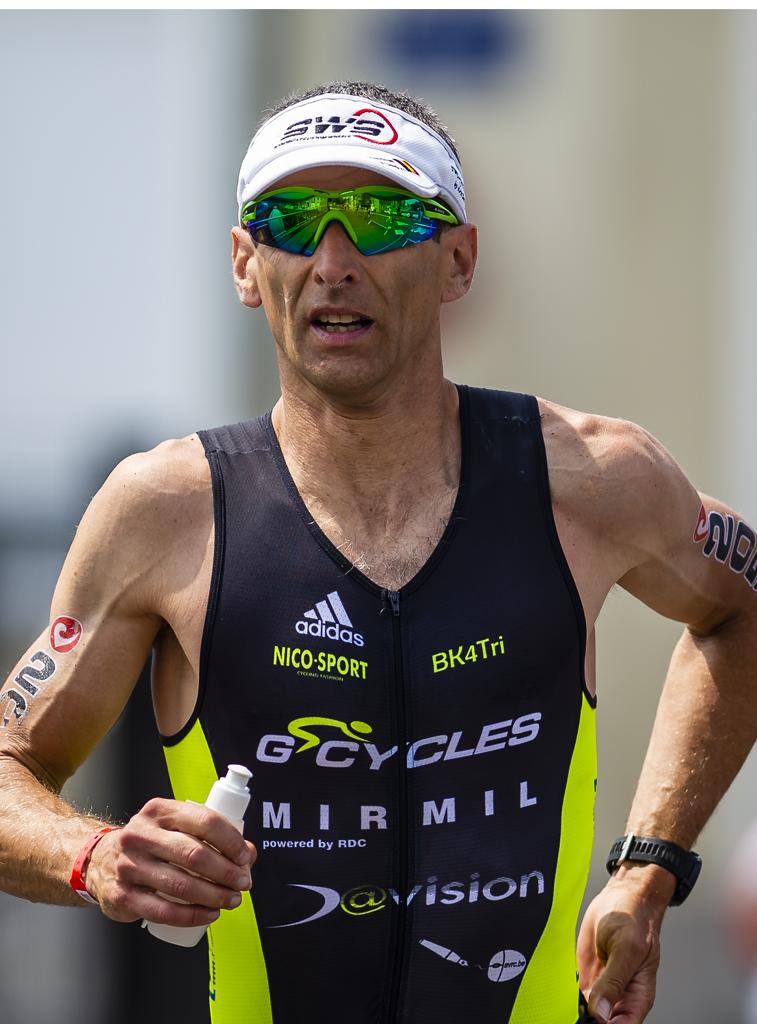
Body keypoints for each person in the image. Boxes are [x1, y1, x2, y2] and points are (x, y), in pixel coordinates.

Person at [0, 80, 755, 1024]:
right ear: (244, 264)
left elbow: (741, 607)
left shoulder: (590, 480)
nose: (333, 259)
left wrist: (652, 868)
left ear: (456, 260)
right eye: (291, 218)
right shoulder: (166, 510)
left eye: (380, 217)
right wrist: (95, 855)